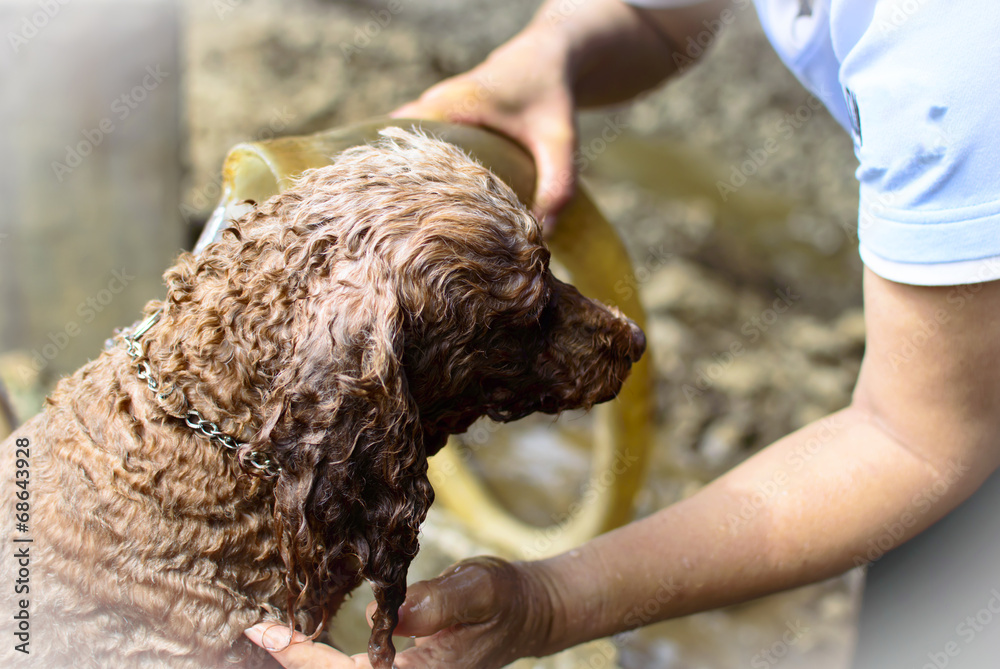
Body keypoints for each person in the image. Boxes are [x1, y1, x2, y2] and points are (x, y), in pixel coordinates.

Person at [244, 0, 1000, 666]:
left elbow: (914, 438)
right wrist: (551, 48)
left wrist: (550, 602)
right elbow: (660, 13)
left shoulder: (953, 59)